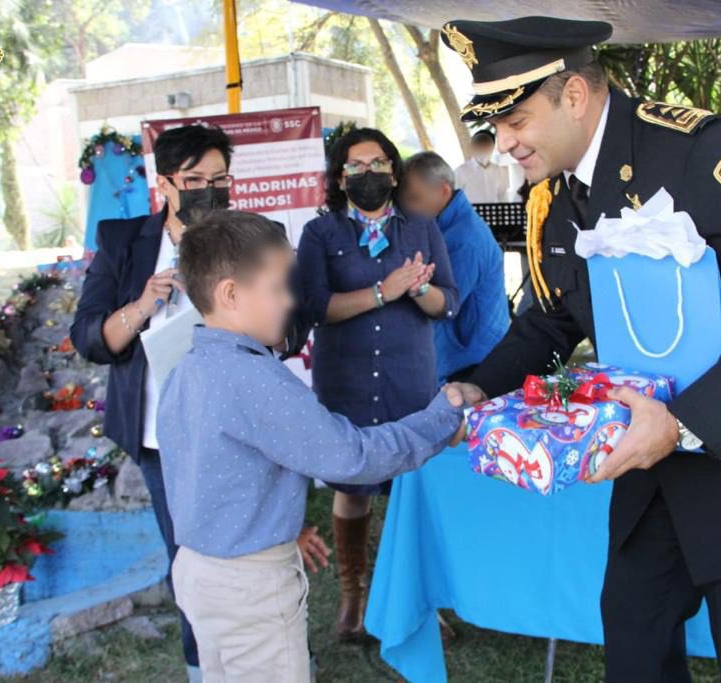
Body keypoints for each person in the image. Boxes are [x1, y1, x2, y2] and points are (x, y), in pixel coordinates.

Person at [439, 16, 721, 683]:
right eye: (497, 127)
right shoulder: (554, 195)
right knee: (635, 633)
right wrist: (479, 385)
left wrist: (683, 421)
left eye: (516, 120)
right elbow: (554, 319)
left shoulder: (704, 153)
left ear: (574, 96)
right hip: (653, 456)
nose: (504, 144)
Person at [158, 209, 465, 682]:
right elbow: (355, 456)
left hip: (201, 572)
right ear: (231, 294)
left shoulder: (190, 366)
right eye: (280, 288)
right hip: (250, 589)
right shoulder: (253, 378)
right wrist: (442, 417)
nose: (290, 303)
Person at [70, 124, 235, 681]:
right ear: (164, 184)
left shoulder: (249, 238)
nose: (208, 190)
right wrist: (143, 304)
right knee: (188, 557)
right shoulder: (123, 241)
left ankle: (266, 652)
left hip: (237, 427)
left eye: (220, 179)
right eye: (194, 180)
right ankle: (203, 666)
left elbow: (289, 325)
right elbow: (90, 338)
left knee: (249, 549)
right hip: (162, 435)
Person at [296, 128, 460, 640]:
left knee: (410, 488)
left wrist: (420, 287)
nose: (368, 174)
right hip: (344, 376)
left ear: (394, 169)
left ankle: (417, 600)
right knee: (353, 485)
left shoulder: (421, 228)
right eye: (356, 165)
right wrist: (383, 291)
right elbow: (315, 308)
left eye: (378, 163)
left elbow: (447, 303)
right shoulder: (320, 233)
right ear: (340, 176)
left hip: (407, 376)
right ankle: (355, 599)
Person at [401, 151, 510, 382]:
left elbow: (442, 306)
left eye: (413, 198)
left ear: (443, 192)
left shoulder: (464, 239)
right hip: (461, 359)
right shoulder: (443, 226)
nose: (407, 208)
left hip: (471, 365)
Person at [454, 129, 510, 203]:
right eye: (479, 144)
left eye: (486, 144)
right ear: (472, 146)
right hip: (470, 213)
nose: (482, 147)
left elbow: (503, 197)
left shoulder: (499, 171)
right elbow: (455, 198)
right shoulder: (461, 171)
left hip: (494, 213)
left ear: (492, 147)